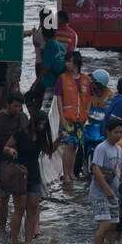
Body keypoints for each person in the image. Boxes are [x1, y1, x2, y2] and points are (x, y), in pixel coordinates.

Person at [3, 108, 56, 244]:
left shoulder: (41, 136)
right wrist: (11, 150)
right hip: (19, 174)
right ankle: (14, 241)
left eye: (44, 125)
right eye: (40, 124)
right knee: (19, 208)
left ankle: (28, 241)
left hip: (34, 174)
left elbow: (49, 151)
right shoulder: (20, 134)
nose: (42, 127)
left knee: (33, 207)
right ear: (33, 122)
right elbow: (6, 147)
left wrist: (60, 139)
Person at [90, 117, 122, 244]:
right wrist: (106, 189)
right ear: (108, 132)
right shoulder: (101, 148)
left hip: (114, 194)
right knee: (105, 224)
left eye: (120, 132)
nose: (119, 135)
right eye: (116, 132)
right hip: (100, 194)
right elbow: (95, 169)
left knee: (113, 226)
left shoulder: (118, 150)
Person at [51, 50, 93, 186]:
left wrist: (87, 112)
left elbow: (90, 98)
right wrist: (62, 118)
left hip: (80, 119)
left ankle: (72, 173)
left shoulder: (86, 80)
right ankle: (66, 173)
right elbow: (58, 99)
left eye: (69, 61)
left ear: (76, 63)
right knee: (68, 145)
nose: (67, 63)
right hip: (68, 118)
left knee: (75, 146)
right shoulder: (62, 79)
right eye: (66, 61)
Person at [0, 91, 29, 237]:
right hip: (1, 162)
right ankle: (1, 228)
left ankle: (17, 230)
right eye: (15, 106)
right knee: (3, 196)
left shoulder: (23, 118)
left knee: (20, 198)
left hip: (20, 162)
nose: (18, 109)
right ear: (8, 105)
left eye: (20, 106)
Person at [29, 25, 66, 110]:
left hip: (49, 81)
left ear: (43, 36)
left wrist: (35, 82)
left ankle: (35, 118)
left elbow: (46, 68)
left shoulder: (49, 46)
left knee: (29, 97)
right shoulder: (61, 46)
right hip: (60, 80)